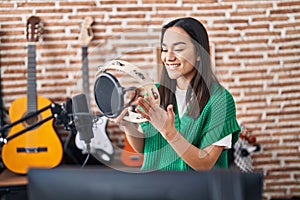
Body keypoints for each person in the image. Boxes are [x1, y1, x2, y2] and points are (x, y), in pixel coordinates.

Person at [112, 17, 241, 171]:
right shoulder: (155, 93)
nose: (169, 57)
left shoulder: (220, 100)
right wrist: (128, 126)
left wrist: (169, 132)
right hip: (153, 189)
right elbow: (144, 147)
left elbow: (205, 163)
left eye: (178, 49)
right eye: (165, 49)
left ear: (200, 53)